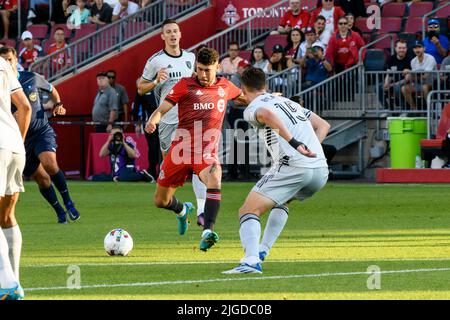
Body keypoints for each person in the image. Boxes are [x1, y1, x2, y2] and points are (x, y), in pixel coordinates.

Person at [223, 67, 330, 274]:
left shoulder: (254, 108)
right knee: (283, 200)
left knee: (247, 211)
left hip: (293, 166)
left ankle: (251, 261)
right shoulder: (289, 102)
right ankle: (262, 249)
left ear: (243, 88)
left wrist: (295, 143)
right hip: (320, 168)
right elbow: (323, 125)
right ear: (265, 85)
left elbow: (265, 113)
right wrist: (308, 149)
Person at [145, 47, 245, 252]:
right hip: (180, 151)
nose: (203, 74)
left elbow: (244, 98)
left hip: (205, 153)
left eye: (208, 70)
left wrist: (267, 98)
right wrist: (152, 121)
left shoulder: (225, 87)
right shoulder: (185, 85)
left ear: (217, 67)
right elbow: (162, 108)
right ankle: (182, 210)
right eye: (199, 69)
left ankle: (207, 231)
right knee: (160, 201)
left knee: (215, 177)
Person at [138, 19, 207, 227]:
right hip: (167, 121)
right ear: (162, 36)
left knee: (198, 165)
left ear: (180, 34)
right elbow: (141, 88)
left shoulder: (190, 57)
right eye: (168, 32)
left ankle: (202, 211)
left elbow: (198, 81)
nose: (173, 34)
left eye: (175, 31)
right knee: (170, 177)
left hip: (191, 117)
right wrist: (156, 81)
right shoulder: (155, 61)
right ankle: (181, 209)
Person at [1, 46, 81, 225]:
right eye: (3, 60)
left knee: (50, 164)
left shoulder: (32, 78)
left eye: (9, 59)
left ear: (16, 61)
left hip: (40, 131)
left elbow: (52, 89)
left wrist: (58, 103)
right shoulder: (1, 87)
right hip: (18, 141)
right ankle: (59, 211)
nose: (7, 63)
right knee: (42, 179)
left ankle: (68, 202)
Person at [0, 55, 32, 300]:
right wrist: (18, 143)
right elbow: (25, 106)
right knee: (6, 216)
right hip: (13, 145)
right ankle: (13, 280)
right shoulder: (4, 64)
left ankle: (7, 283)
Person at [132, 78, 161, 180]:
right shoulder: (142, 90)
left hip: (163, 122)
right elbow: (136, 107)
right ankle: (152, 171)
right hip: (149, 123)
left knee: (163, 147)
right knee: (153, 147)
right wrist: (137, 124)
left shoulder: (159, 85)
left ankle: (163, 171)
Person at [401, 40, 437, 111]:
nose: (417, 50)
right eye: (415, 48)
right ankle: (415, 110)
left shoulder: (430, 58)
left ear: (424, 48)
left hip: (433, 83)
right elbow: (416, 77)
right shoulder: (413, 61)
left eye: (419, 47)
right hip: (419, 82)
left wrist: (410, 72)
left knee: (424, 87)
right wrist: (409, 76)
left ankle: (429, 111)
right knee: (404, 88)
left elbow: (426, 76)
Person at [379, 39, 412, 109]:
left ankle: (404, 109)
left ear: (406, 49)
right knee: (378, 88)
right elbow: (389, 73)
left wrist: (393, 85)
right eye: (399, 48)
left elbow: (407, 79)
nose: (401, 50)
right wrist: (386, 83)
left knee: (397, 88)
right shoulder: (391, 58)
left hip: (406, 83)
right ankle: (387, 109)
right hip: (393, 82)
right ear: (395, 49)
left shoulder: (410, 59)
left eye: (403, 48)